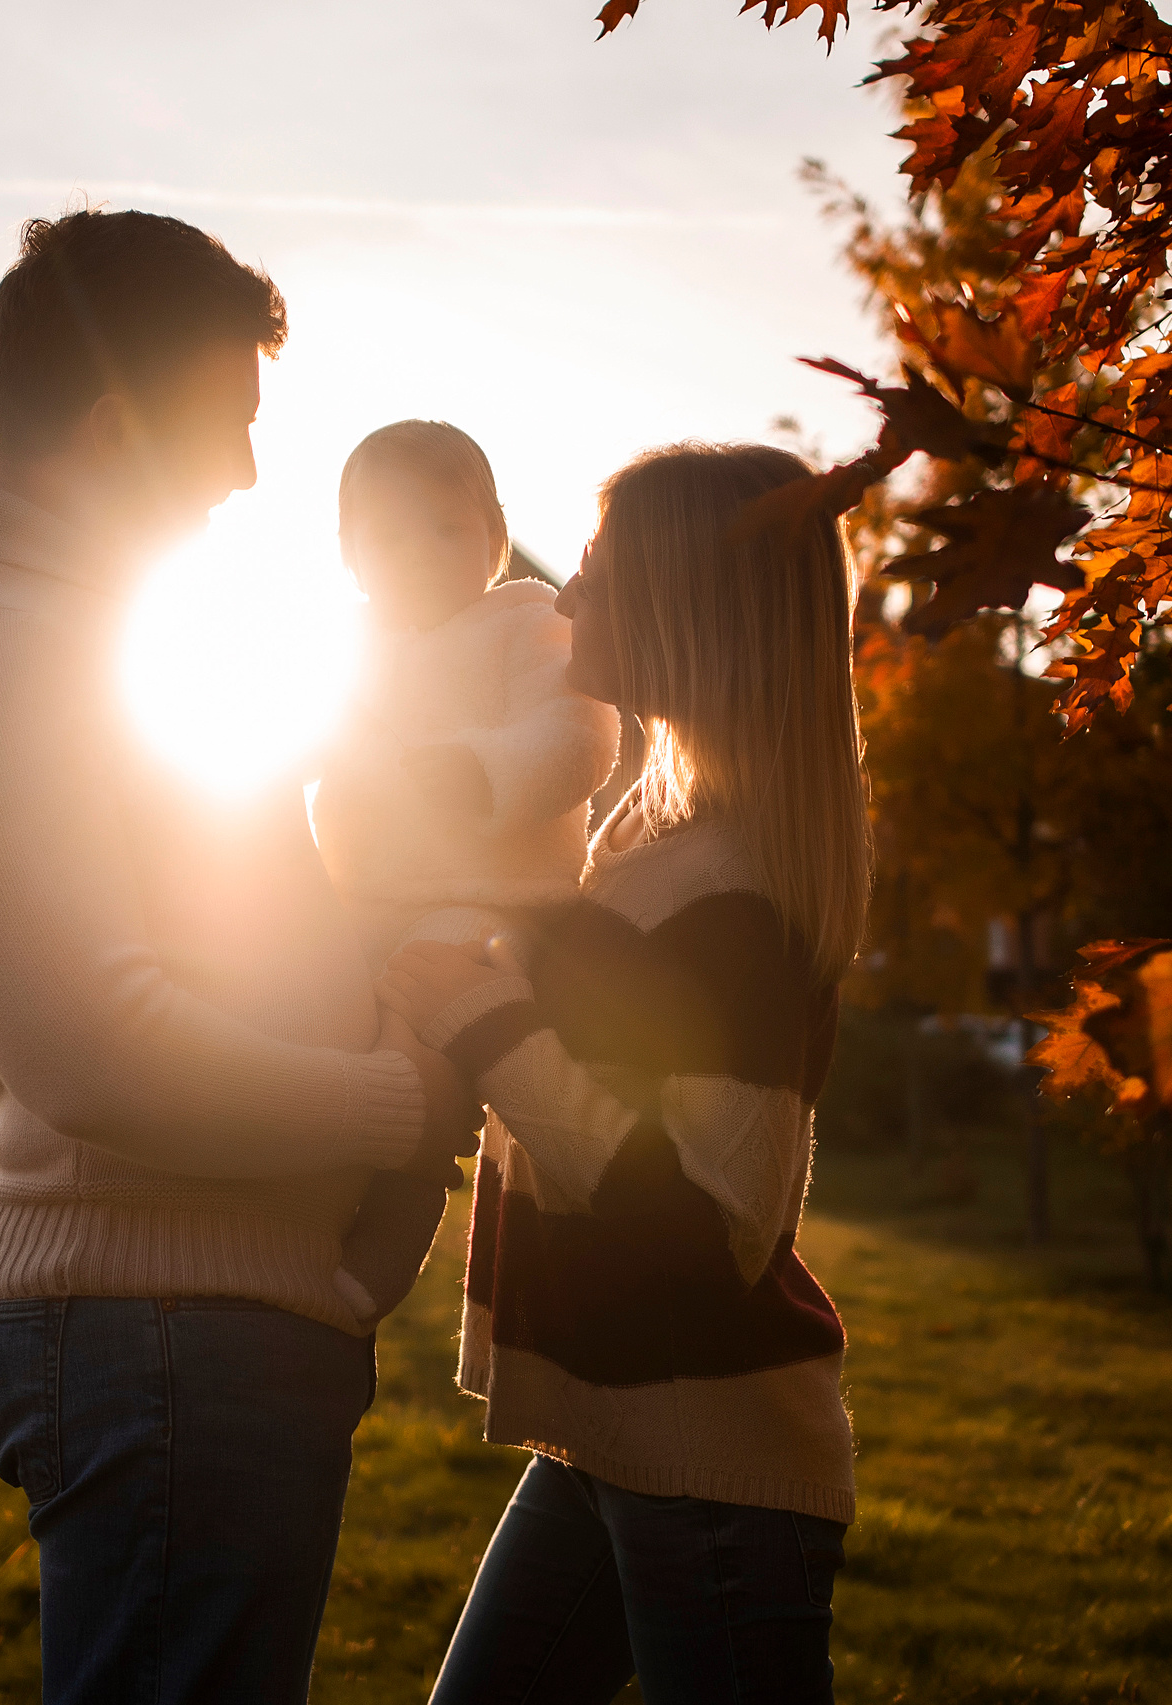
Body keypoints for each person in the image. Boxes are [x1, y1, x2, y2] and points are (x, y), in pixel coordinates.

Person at [0, 209, 483, 1705]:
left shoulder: (91, 637)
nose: (252, 473)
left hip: (203, 1329)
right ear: (117, 423)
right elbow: (103, 1051)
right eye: (228, 422)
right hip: (154, 1331)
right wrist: (398, 1106)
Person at [378, 441, 877, 1704]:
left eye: (591, 578)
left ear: (673, 607)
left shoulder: (738, 888)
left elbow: (716, 1218)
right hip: (616, 1433)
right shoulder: (655, 843)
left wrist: (493, 1026)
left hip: (705, 1457)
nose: (559, 601)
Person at [311, 420, 619, 1325]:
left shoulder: (523, 621)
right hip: (363, 897)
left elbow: (579, 741)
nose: (421, 555)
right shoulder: (349, 651)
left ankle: (386, 1245)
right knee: (318, 1023)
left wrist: (481, 769)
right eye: (391, 536)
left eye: (448, 530)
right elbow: (303, 748)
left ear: (492, 538)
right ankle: (309, 1206)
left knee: (411, 1056)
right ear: (350, 555)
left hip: (488, 907)